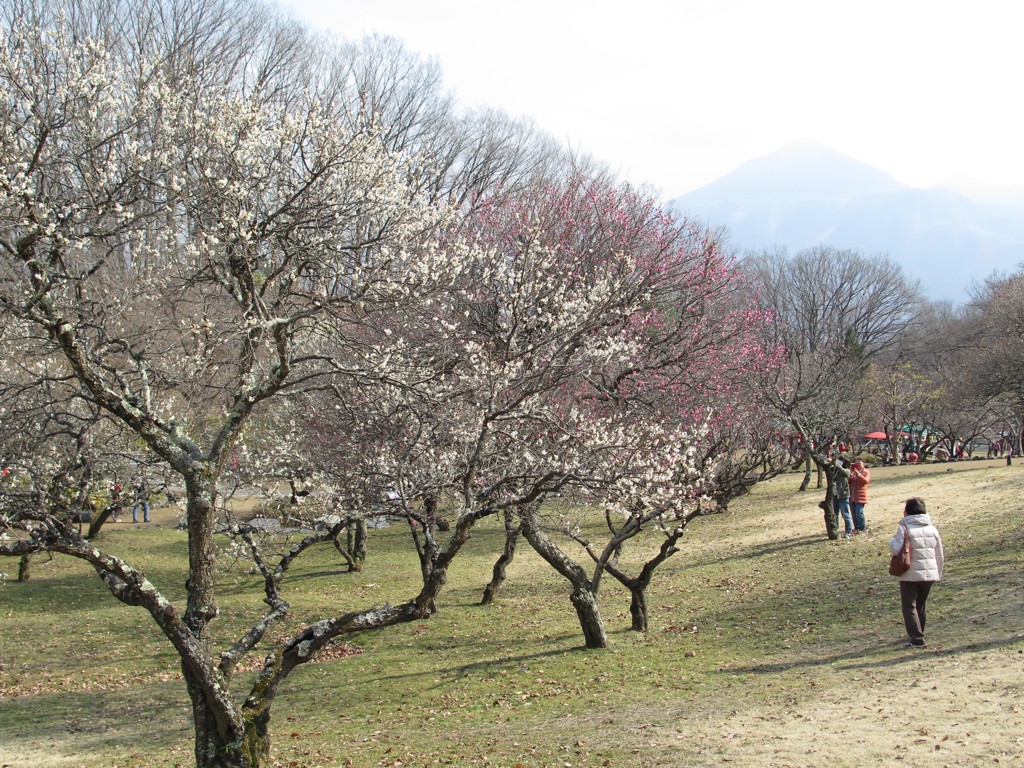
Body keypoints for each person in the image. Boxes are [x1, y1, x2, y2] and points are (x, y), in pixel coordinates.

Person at [889, 497, 944, 648]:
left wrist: (891, 542)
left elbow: (896, 549)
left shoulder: (904, 528)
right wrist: (938, 572)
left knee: (909, 606)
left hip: (910, 574)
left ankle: (917, 639)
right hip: (930, 574)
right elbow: (939, 553)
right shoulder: (932, 529)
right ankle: (918, 633)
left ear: (907, 511)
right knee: (921, 604)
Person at [830, 456, 854, 538]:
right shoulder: (834, 471)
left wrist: (836, 464)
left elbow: (842, 470)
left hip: (843, 495)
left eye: (840, 461)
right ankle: (836, 530)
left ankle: (848, 531)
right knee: (835, 514)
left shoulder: (847, 471)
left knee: (845, 514)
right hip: (834, 495)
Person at [849, 460, 870, 533]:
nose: (858, 465)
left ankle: (862, 528)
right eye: (856, 464)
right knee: (854, 513)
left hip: (860, 496)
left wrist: (858, 474)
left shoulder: (866, 472)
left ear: (863, 464)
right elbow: (849, 482)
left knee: (859, 512)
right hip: (852, 496)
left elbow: (865, 481)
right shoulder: (854, 473)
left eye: (859, 463)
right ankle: (857, 527)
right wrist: (850, 475)